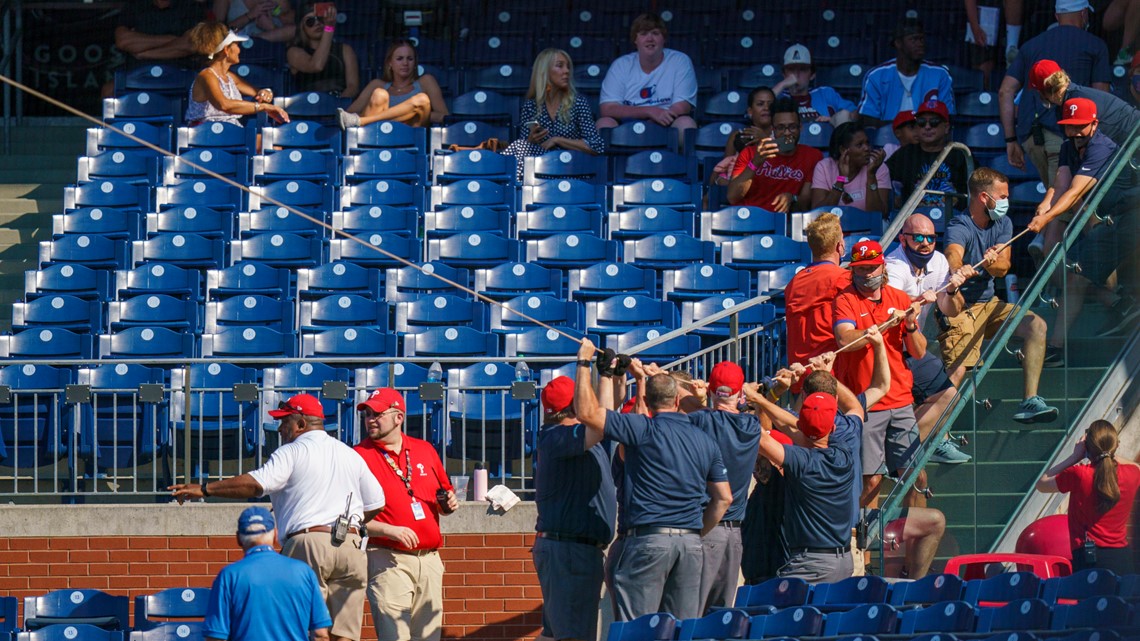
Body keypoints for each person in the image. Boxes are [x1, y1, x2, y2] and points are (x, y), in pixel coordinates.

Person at [170, 393, 385, 641]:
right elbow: (377, 502)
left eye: (285, 422)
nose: (281, 428)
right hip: (351, 546)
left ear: (302, 424)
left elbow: (256, 485)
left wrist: (205, 489)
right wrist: (352, 525)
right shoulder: (350, 454)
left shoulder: (292, 451)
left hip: (309, 543)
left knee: (306, 628)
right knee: (344, 635)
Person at [573, 339, 732, 621]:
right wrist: (697, 531)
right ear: (677, 400)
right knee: (680, 631)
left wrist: (584, 363)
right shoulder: (705, 440)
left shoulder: (643, 429)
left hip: (648, 541)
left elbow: (587, 414)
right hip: (690, 544)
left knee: (638, 630)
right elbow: (724, 498)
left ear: (646, 401)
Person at [747, 337, 889, 582]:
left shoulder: (800, 460)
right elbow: (854, 407)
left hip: (808, 565)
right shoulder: (846, 448)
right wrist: (828, 375)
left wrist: (761, 397)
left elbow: (761, 437)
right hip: (845, 558)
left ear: (800, 423)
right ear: (833, 426)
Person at [941, 167, 1060, 424]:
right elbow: (953, 252)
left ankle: (1030, 400)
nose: (1007, 202)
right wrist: (958, 268)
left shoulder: (1003, 223)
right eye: (1002, 196)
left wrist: (987, 263)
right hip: (960, 307)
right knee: (958, 370)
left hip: (990, 304)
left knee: (1036, 325)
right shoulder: (959, 225)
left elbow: (1003, 267)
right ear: (984, 197)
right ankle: (938, 433)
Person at [1027, 98, 1140, 341]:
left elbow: (1075, 191)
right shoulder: (1070, 145)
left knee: (1076, 272)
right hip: (1109, 217)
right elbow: (1061, 182)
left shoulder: (1101, 147)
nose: (1076, 131)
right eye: (1070, 125)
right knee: (1072, 273)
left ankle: (1121, 304)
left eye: (1081, 125)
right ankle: (1119, 305)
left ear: (1095, 124)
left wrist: (1047, 218)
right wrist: (1045, 204)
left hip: (1129, 217)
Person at [833, 240, 933, 509]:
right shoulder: (845, 299)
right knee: (871, 480)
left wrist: (910, 325)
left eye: (871, 268)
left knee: (916, 475)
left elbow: (919, 352)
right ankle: (863, 545)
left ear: (882, 266)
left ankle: (913, 535)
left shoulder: (899, 298)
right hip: (866, 402)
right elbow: (844, 339)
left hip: (900, 398)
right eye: (860, 268)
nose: (866, 274)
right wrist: (877, 328)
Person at [353, 388, 457, 641]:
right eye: (367, 414)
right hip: (387, 558)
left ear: (399, 417)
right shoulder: (357, 456)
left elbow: (444, 492)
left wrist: (449, 503)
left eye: (377, 413)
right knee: (394, 637)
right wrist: (389, 530)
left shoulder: (424, 449)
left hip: (429, 559)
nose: (370, 420)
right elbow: (346, 516)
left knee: (429, 637)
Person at [883, 213, 974, 464]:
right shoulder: (893, 266)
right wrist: (920, 298)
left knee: (947, 393)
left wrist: (953, 289)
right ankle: (902, 455)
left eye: (931, 238)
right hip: (886, 350)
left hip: (912, 347)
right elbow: (892, 311)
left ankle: (902, 454)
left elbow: (951, 309)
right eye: (918, 237)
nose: (926, 243)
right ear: (903, 239)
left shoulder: (940, 261)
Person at [533, 376, 616, 641]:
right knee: (572, 636)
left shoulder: (576, 436)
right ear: (574, 407)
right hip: (568, 550)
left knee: (558, 633)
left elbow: (605, 420)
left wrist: (606, 376)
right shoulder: (557, 436)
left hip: (571, 550)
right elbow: (602, 424)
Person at [999, 0, 1112, 187]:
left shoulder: (1031, 45)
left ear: (1057, 16)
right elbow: (1102, 96)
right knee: (1060, 204)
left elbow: (1005, 91)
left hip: (1030, 138)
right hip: (1067, 137)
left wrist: (1011, 140)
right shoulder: (1095, 45)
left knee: (1060, 200)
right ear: (1084, 14)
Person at [687, 361, 762, 613]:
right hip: (734, 535)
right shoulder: (752, 427)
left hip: (705, 527)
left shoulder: (699, 420)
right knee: (719, 618)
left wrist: (698, 395)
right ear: (740, 394)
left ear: (711, 390)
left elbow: (684, 409)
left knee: (691, 613)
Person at [203, 506, 332, 641]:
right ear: (275, 535)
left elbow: (215, 636)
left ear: (238, 539)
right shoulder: (304, 572)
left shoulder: (229, 576)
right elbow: (320, 634)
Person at [1036, 420, 1140, 576]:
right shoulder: (1133, 474)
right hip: (1122, 558)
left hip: (1089, 559)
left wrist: (1074, 457)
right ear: (1116, 445)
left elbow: (1042, 484)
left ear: (1087, 447)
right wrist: (1110, 453)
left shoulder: (1079, 474)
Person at [503, 48, 605, 174]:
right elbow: (525, 152)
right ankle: (507, 183)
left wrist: (557, 140)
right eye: (560, 66)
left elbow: (596, 146)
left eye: (568, 67)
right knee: (520, 146)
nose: (566, 71)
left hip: (571, 167)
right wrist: (531, 139)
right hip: (541, 168)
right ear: (544, 72)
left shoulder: (578, 103)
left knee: (518, 147)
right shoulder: (530, 106)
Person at [596, 12, 697, 134]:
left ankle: (681, 154)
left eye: (655, 33)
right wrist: (649, 111)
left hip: (666, 121)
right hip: (626, 123)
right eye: (643, 34)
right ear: (635, 40)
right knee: (604, 124)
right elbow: (607, 108)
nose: (650, 38)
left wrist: (657, 118)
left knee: (686, 123)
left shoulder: (680, 60)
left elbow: (682, 106)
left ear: (664, 39)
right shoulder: (621, 65)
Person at [783, 212, 851, 378]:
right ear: (839, 246)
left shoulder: (794, 281)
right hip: (829, 376)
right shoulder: (844, 278)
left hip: (799, 373)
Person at [728, 96, 823, 213]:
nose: (787, 132)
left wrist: (792, 198)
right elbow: (732, 197)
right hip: (750, 221)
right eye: (781, 128)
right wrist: (755, 163)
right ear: (773, 129)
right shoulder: (750, 153)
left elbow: (806, 202)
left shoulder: (812, 156)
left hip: (785, 223)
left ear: (801, 127)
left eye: (792, 127)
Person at [857, 17, 956, 127]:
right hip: (888, 138)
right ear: (898, 43)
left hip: (928, 137)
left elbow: (947, 116)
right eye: (913, 39)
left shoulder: (940, 75)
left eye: (921, 39)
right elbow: (867, 118)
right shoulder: (876, 76)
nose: (920, 44)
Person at [184, 22, 289, 125]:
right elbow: (224, 105)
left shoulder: (230, 76)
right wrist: (263, 107)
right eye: (237, 45)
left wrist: (266, 93)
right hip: (206, 137)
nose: (239, 50)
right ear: (226, 50)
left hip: (231, 133)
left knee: (273, 142)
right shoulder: (206, 76)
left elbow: (257, 93)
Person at [336, 39, 449, 129]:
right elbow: (348, 115)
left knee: (422, 100)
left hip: (413, 134)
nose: (405, 63)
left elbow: (443, 116)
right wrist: (401, 113)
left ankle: (361, 122)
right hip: (379, 135)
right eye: (399, 59)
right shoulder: (377, 84)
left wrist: (413, 112)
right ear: (390, 63)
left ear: (415, 63)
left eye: (410, 59)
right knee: (380, 94)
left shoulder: (426, 81)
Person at [108, 0, 208, 97]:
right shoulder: (134, 5)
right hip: (137, 73)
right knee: (108, 91)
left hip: (180, 73)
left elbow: (191, 44)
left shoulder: (190, 7)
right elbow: (122, 41)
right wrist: (173, 40)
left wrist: (143, 53)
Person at [886, 98, 969, 210]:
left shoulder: (960, 154)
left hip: (953, 219)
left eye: (934, 122)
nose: (927, 127)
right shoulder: (906, 153)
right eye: (921, 122)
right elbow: (882, 177)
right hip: (914, 220)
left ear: (946, 127)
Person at [810, 121, 890, 214]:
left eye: (867, 143)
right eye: (859, 145)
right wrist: (841, 179)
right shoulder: (824, 167)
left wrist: (871, 176)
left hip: (868, 226)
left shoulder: (879, 167)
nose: (867, 148)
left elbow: (880, 215)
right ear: (843, 150)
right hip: (833, 227)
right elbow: (818, 214)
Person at [287, 3, 360, 98]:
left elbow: (353, 87)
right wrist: (329, 28)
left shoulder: (345, 49)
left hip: (340, 102)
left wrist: (337, 105)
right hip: (307, 105)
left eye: (321, 19)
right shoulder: (294, 52)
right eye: (310, 21)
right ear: (302, 27)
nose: (317, 24)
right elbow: (317, 65)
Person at [772, 44, 857, 124]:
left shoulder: (825, 93)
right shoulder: (778, 97)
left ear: (812, 75)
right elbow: (761, 108)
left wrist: (833, 120)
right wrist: (782, 85)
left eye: (802, 69)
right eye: (791, 69)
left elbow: (855, 114)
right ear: (784, 74)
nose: (796, 75)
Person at [711, 87, 775, 188]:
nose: (766, 108)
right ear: (750, 111)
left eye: (770, 104)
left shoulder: (782, 136)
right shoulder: (738, 136)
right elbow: (725, 169)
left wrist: (764, 138)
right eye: (760, 104)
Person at [963, 0, 1024, 74]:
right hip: (985, 15)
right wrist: (975, 27)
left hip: (1010, 20)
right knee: (984, 68)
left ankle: (1011, 49)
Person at [215, 0, 294, 42]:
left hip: (270, 43)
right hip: (238, 43)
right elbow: (216, 31)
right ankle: (250, 42)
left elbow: (292, 29)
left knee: (293, 30)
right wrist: (250, 15)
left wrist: (271, 28)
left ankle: (253, 41)